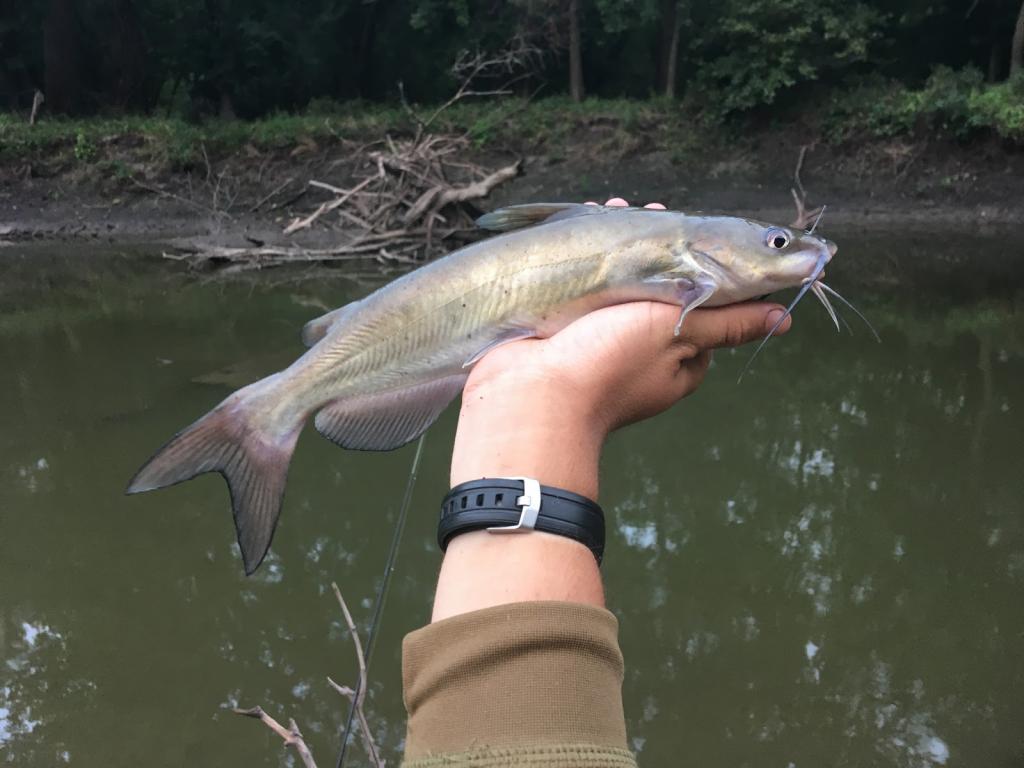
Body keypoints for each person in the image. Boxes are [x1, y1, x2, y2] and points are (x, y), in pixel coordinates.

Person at [399, 199, 793, 767]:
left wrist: (538, 396)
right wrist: (553, 395)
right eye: (778, 242)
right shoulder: (677, 250)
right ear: (709, 246)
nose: (801, 254)